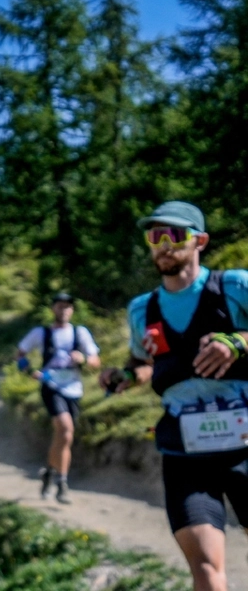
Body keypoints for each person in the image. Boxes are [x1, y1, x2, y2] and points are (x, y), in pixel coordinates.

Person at [100, 201, 248, 591]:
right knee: (204, 569)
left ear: (199, 240)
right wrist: (125, 376)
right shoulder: (141, 309)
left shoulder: (235, 286)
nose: (163, 245)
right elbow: (147, 363)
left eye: (174, 235)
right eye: (154, 236)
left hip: (246, 442)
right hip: (185, 451)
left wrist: (238, 341)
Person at [15, 292, 101, 504]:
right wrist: (29, 371)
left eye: (67, 306)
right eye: (60, 306)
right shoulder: (40, 332)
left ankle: (50, 472)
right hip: (51, 385)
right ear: (53, 308)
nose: (63, 310)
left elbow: (95, 360)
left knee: (64, 436)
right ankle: (62, 483)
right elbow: (20, 354)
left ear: (72, 310)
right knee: (65, 429)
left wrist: (83, 359)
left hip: (73, 387)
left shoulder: (80, 333)